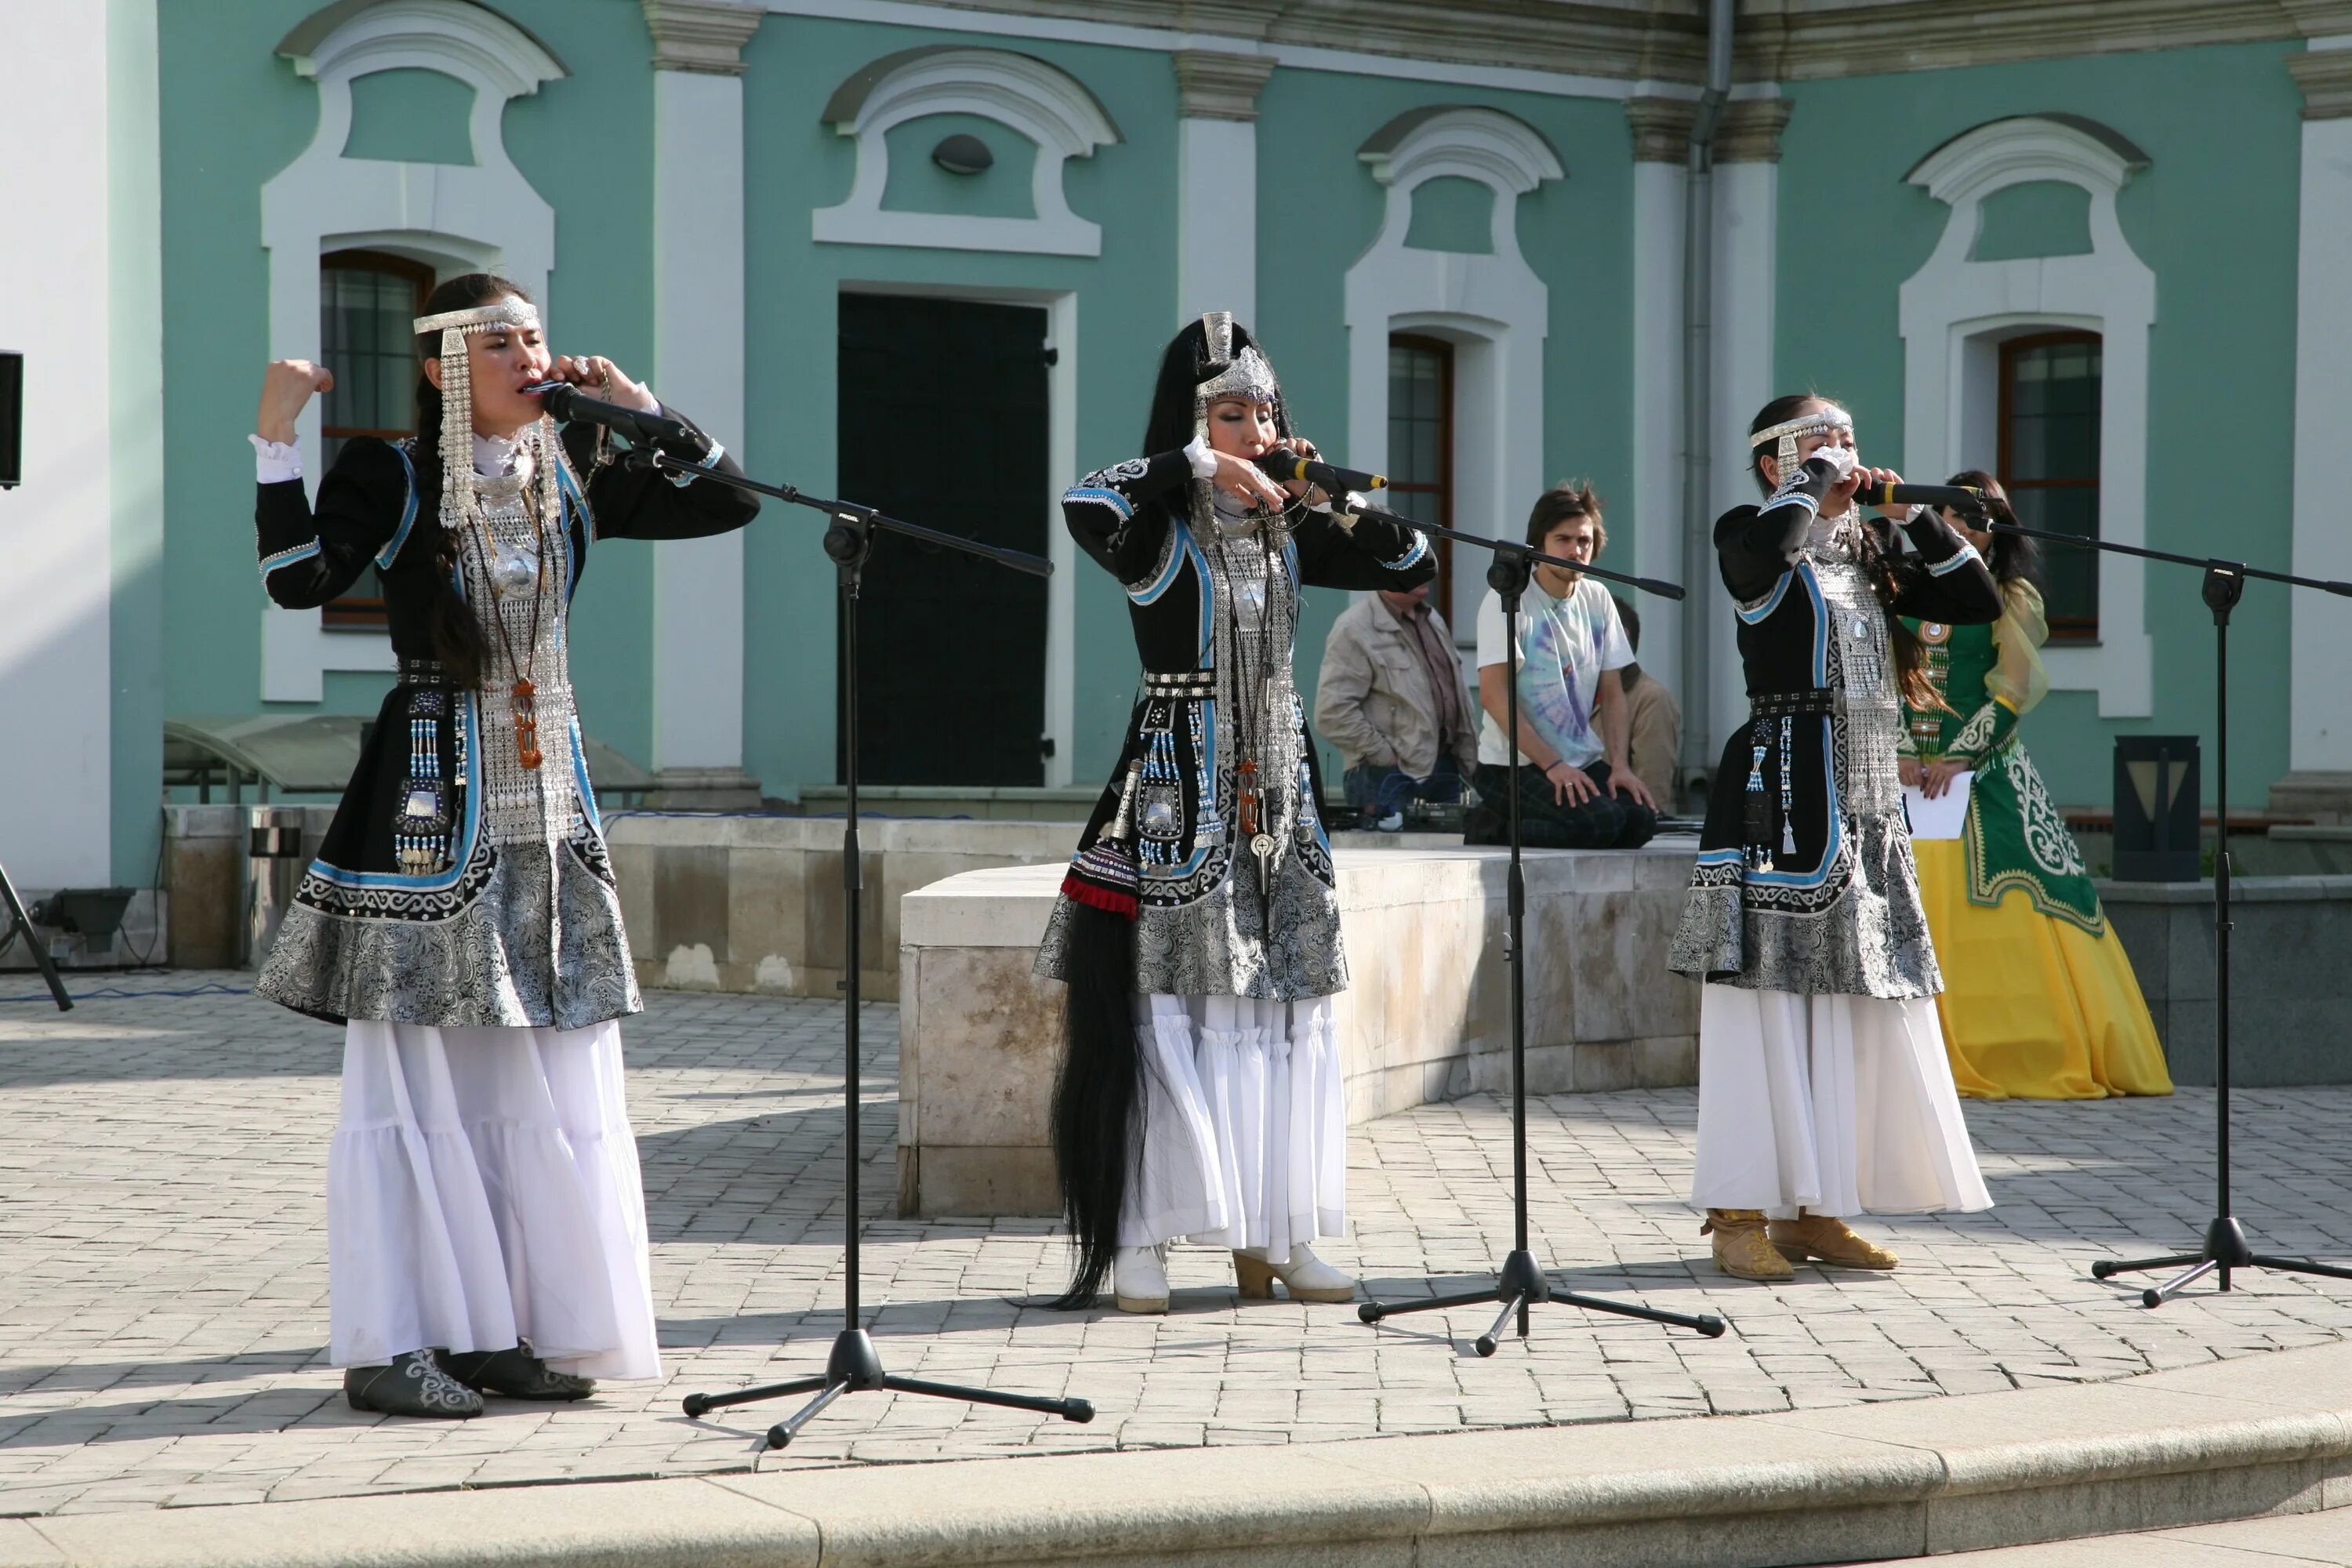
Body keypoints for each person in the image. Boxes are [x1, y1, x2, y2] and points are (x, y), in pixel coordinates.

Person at [249, 274, 759, 1416]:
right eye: (500, 342)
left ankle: (499, 1329)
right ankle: (392, 1343)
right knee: (421, 1071)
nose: (532, 355)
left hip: (550, 802)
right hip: (433, 802)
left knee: (541, 1060)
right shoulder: (395, 472)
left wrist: (645, 406)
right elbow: (299, 582)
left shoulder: (571, 471)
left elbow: (727, 502)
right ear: (438, 367)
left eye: (537, 334)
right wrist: (277, 440)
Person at [1036, 312, 1435, 1314]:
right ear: (1191, 423)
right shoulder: (1154, 533)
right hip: (1176, 789)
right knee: (1166, 1014)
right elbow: (1085, 499)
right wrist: (1193, 468)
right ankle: (1138, 1238)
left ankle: (1280, 1233)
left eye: (1263, 413)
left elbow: (1410, 557)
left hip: (1281, 795)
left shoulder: (1286, 531)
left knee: (1284, 1008)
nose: (1253, 429)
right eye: (1230, 413)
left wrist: (1316, 487)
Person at [1668, 395, 2001, 1281]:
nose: (1845, 452)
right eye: (1820, 441)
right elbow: (1771, 549)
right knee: (1765, 1000)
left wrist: (1913, 515)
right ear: (1776, 461)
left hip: (1863, 801)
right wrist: (1815, 483)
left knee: (1847, 1002)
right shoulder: (1749, 531)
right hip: (1778, 791)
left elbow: (1977, 598)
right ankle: (1738, 1211)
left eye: (1850, 438)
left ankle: (1813, 1207)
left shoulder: (1868, 552)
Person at [1899, 472, 2173, 1101]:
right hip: (1907, 778)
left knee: (2015, 905)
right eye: (1950, 518)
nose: (1963, 530)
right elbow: (1886, 676)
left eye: (1975, 519)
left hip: (1986, 774)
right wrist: (1903, 751)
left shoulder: (2010, 594)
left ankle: (2018, 1046)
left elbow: (2010, 692)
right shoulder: (1902, 588)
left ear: (1999, 529)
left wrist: (1959, 756)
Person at [1461, 482, 1657, 849]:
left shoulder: (1598, 598)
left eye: (1584, 541)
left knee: (1640, 821)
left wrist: (1620, 766)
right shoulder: (1507, 599)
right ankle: (1488, 826)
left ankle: (1523, 817)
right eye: (1563, 539)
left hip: (1579, 759)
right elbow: (1493, 695)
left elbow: (1613, 694)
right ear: (1539, 544)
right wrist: (1553, 765)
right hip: (1510, 768)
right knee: (1600, 825)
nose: (1575, 550)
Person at [1313, 578, 1475, 829]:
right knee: (1394, 863)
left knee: (1449, 864)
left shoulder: (1432, 619)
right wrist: (1385, 755)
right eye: (1412, 566)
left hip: (1445, 769)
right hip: (1386, 776)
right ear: (1385, 573)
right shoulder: (1355, 626)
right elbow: (1332, 713)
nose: (1423, 572)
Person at [1611, 593, 1683, 815]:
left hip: (1618, 833)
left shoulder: (1651, 699)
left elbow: (1651, 799)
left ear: (1621, 639)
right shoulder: (1576, 692)